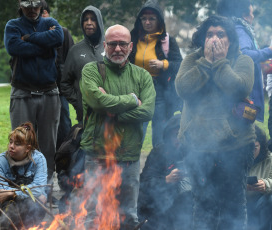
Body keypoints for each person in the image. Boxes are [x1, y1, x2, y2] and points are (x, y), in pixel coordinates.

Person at [175, 15, 255, 230]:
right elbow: (183, 88)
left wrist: (219, 63)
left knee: (234, 207)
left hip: (235, 146)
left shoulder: (243, 61)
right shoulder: (192, 61)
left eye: (221, 34)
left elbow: (240, 88)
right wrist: (206, 63)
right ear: (202, 39)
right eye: (209, 34)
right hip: (197, 146)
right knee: (203, 205)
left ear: (231, 40)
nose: (215, 40)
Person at [79, 24, 156, 229]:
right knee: (94, 215)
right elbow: (97, 102)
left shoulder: (143, 76)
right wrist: (132, 100)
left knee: (128, 215)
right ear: (105, 45)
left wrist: (113, 113)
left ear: (131, 47)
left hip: (129, 157)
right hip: (98, 156)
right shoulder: (91, 71)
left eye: (123, 44)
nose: (118, 49)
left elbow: (148, 111)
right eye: (113, 44)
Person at [4, 0, 63, 183]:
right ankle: (22, 189)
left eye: (36, 5)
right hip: (23, 92)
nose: (32, 10)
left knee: (48, 145)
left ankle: (46, 188)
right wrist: (46, 45)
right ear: (20, 5)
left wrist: (29, 38)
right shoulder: (13, 25)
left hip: (49, 92)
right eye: (28, 6)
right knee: (20, 144)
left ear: (41, 5)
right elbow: (14, 47)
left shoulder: (50, 22)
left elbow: (59, 38)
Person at [129, 0, 183, 147]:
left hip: (160, 93)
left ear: (159, 20)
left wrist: (163, 64)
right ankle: (131, 167)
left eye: (151, 19)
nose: (147, 22)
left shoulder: (168, 41)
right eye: (144, 18)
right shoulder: (132, 39)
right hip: (137, 91)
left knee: (160, 136)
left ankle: (159, 167)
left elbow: (180, 65)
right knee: (136, 133)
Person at [217, 0, 272, 122]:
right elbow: (245, 55)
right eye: (251, 13)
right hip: (246, 96)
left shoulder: (236, 29)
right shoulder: (240, 30)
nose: (252, 16)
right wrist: (269, 51)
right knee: (248, 132)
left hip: (241, 94)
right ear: (244, 15)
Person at [138, 114, 192, 230]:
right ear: (168, 136)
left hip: (186, 208)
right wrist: (166, 179)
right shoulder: (159, 153)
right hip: (160, 207)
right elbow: (144, 183)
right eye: (175, 135)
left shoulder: (192, 153)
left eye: (181, 135)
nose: (178, 140)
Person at [0, 122, 48, 230]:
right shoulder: (0, 161)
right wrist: (29, 192)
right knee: (11, 212)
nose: (11, 146)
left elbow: (39, 189)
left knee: (32, 209)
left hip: (32, 204)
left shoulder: (39, 159)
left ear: (28, 148)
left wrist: (12, 193)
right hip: (7, 205)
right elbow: (1, 194)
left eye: (17, 144)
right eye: (10, 142)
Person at [61, 5, 104, 123]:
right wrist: (78, 102)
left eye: (93, 19)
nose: (89, 23)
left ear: (99, 22)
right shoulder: (75, 50)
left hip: (110, 113)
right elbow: (65, 83)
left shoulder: (110, 47)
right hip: (85, 115)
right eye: (85, 19)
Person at [40, 0, 74, 150]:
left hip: (59, 89)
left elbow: (72, 60)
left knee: (64, 123)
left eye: (42, 12)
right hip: (37, 88)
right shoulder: (29, 35)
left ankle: (65, 156)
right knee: (40, 125)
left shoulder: (63, 33)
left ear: (47, 13)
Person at [246, 125, 272, 230]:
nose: (251, 152)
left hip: (259, 203)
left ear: (261, 146)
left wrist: (266, 184)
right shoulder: (236, 159)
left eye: (255, 148)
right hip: (238, 201)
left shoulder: (269, 159)